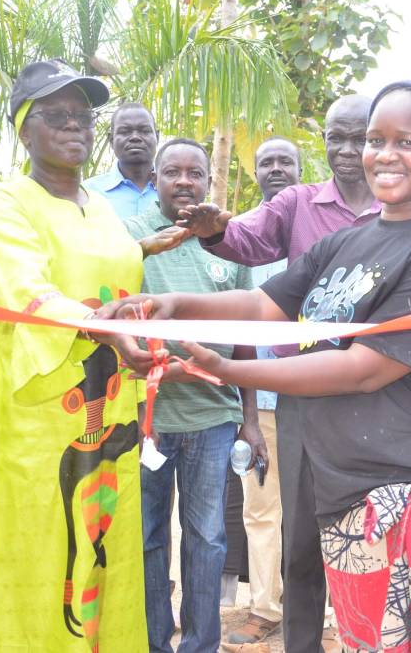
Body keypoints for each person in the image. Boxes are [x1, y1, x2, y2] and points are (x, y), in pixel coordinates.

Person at [98, 80, 411, 652]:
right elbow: (262, 306)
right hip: (351, 492)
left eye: (407, 142)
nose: (384, 154)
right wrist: (170, 308)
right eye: (377, 139)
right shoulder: (348, 243)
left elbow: (363, 369)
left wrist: (226, 371)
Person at [0, 59, 183, 651]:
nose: (74, 125)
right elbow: (27, 290)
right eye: (55, 116)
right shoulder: (5, 204)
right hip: (35, 407)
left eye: (83, 116)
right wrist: (107, 331)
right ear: (24, 130)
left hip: (109, 403)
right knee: (37, 539)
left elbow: (92, 258)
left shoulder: (100, 205)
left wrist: (147, 246)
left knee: (101, 538)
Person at [177, 94, 380, 653]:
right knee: (301, 538)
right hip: (304, 391)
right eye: (335, 138)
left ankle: (362, 635)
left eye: (358, 137)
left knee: (368, 527)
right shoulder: (298, 203)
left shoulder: (398, 208)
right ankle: (301, 641)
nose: (345, 150)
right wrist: (214, 229)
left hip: (379, 394)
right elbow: (247, 239)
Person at [122, 138, 260, 652]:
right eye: (173, 172)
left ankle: (201, 644)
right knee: (148, 536)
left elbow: (248, 336)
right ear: (153, 179)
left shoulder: (231, 244)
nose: (185, 181)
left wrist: (249, 418)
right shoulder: (128, 240)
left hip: (213, 419)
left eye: (195, 173)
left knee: (206, 538)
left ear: (209, 182)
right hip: (146, 418)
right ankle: (153, 641)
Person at [223, 136, 303, 647]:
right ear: (255, 174)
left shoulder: (323, 230)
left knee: (320, 509)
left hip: (321, 397)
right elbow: (236, 330)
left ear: (301, 170)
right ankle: (267, 608)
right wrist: (247, 415)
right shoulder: (240, 240)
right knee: (261, 509)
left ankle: (317, 609)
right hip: (263, 402)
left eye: (285, 161)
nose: (276, 169)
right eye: (266, 162)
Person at [85, 102, 159, 218]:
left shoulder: (178, 191)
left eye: (144, 130)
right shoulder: (88, 193)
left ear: (157, 137)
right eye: (125, 131)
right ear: (111, 140)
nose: (135, 137)